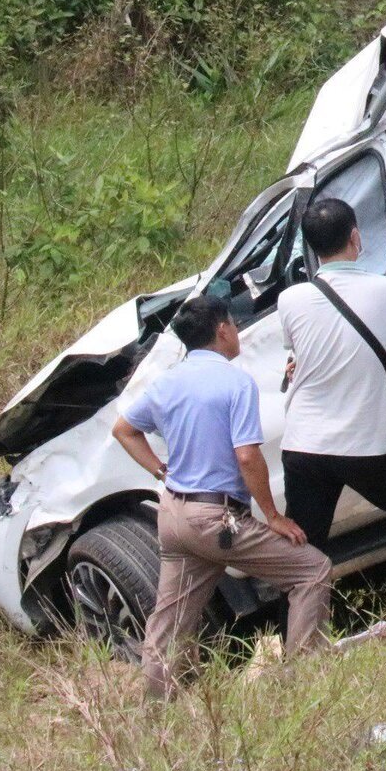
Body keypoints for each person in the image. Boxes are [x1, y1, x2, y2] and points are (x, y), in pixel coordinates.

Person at [111, 293, 333, 698]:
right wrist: (273, 516)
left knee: (170, 622)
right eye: (233, 323)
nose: (236, 331)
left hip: (174, 512)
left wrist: (160, 471)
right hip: (216, 518)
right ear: (222, 330)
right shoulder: (235, 382)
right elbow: (247, 456)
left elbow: (124, 429)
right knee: (311, 570)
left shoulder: (166, 383)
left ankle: (155, 716)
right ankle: (303, 684)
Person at [275, 198, 386, 574]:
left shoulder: (289, 299)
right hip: (363, 445)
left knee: (305, 546)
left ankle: (297, 630)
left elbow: (300, 358)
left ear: (311, 250)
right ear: (356, 237)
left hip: (303, 444)